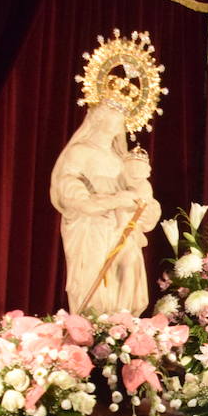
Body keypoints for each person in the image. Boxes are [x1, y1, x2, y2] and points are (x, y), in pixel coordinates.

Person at [49, 102, 162, 316]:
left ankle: (120, 331)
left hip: (124, 230)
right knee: (93, 286)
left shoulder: (122, 158)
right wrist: (112, 201)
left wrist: (147, 209)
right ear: (98, 116)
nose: (120, 117)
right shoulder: (79, 152)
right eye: (114, 111)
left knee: (125, 280)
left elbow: (141, 192)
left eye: (122, 113)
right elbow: (69, 189)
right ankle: (93, 332)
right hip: (93, 228)